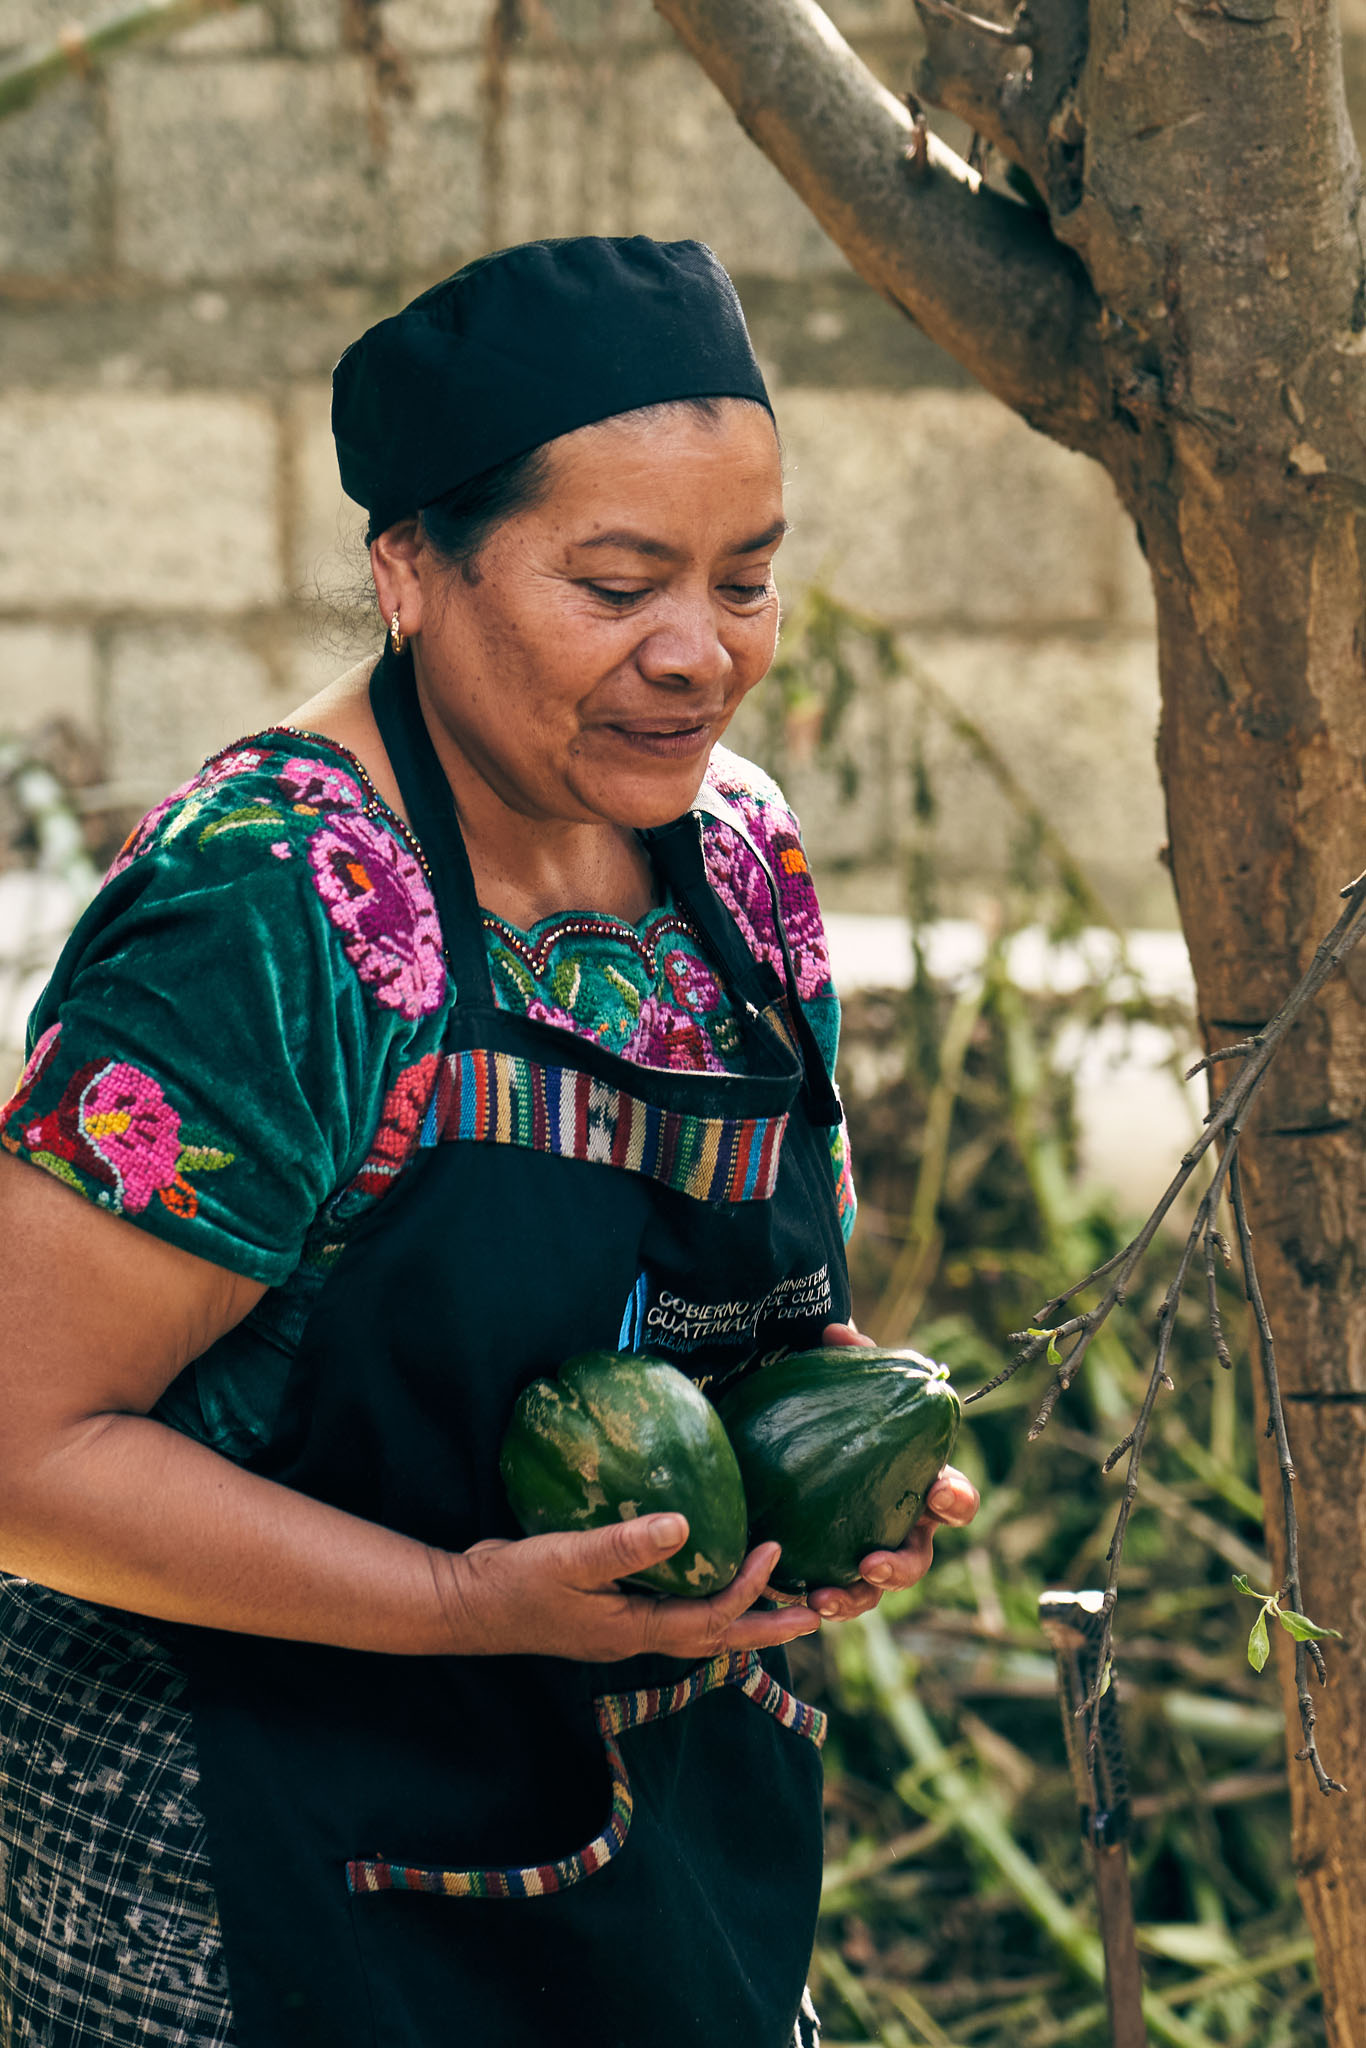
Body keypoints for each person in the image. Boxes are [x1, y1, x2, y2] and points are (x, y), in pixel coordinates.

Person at [0, 236, 978, 2048]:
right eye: (615, 584)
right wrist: (460, 1602)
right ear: (408, 572)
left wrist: (833, 1470)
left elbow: (752, 1333)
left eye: (746, 582)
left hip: (653, 1860)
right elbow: (19, 1448)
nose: (696, 656)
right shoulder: (278, 908)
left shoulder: (737, 858)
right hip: (251, 1885)